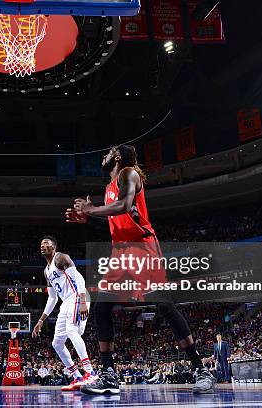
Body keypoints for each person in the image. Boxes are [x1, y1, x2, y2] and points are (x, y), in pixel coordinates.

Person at [67, 145, 215, 394]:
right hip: (121, 251)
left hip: (141, 247)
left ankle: (201, 370)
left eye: (107, 153)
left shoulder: (128, 173)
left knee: (163, 305)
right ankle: (109, 375)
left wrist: (91, 210)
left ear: (116, 156)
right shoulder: (107, 188)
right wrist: (89, 217)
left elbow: (124, 205)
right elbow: (117, 220)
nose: (102, 156)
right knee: (102, 306)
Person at [32, 236, 96, 392]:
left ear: (53, 247)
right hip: (66, 302)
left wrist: (82, 301)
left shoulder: (61, 258)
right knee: (57, 343)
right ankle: (77, 377)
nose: (42, 246)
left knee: (72, 331)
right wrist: (41, 320)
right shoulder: (47, 271)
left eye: (46, 243)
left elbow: (79, 279)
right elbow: (52, 298)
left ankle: (91, 373)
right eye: (41, 244)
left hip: (77, 296)